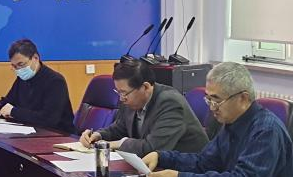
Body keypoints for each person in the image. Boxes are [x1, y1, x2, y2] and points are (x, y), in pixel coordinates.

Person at [143, 61, 293, 177]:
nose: (212, 108)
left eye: (217, 100)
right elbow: (204, 163)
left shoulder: (266, 130)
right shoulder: (231, 122)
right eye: (208, 99)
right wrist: (162, 156)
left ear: (243, 98)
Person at [79, 59, 208, 157]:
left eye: (124, 93)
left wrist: (117, 144)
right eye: (118, 92)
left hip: (186, 171)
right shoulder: (131, 100)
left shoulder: (170, 102)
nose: (121, 98)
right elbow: (119, 129)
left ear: (145, 87)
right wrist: (98, 136)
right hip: (153, 168)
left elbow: (153, 149)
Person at [0, 38, 76, 134]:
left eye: (21, 64)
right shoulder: (22, 79)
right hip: (29, 132)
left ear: (35, 58)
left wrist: (13, 112)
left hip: (57, 135)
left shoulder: (55, 81)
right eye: (14, 66)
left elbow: (49, 119)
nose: (18, 70)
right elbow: (9, 101)